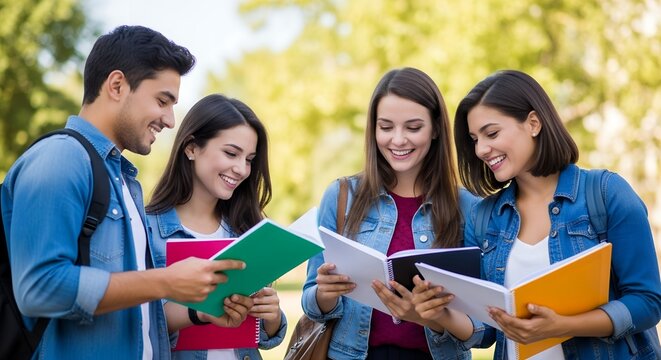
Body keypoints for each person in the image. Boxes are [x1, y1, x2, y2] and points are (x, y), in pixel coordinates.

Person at [1, 25, 252, 359]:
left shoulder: (122, 179)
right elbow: (40, 288)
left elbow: (133, 311)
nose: (170, 120)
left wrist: (196, 313)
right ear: (117, 85)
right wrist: (166, 281)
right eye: (163, 101)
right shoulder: (60, 159)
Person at [438, 69, 661, 359]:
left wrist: (563, 326)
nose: (481, 149)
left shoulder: (606, 194)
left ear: (533, 123)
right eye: (474, 139)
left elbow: (647, 302)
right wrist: (434, 315)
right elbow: (486, 330)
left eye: (491, 133)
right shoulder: (484, 217)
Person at [301, 67, 479, 359]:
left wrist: (429, 315)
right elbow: (311, 302)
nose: (398, 140)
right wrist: (325, 294)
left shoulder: (467, 207)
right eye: (386, 127)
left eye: (412, 127)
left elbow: (482, 331)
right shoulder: (342, 195)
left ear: (435, 129)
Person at [146, 94, 287, 360]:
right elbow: (136, 325)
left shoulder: (247, 231)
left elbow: (263, 338)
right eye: (231, 153)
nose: (241, 169)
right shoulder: (146, 230)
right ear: (191, 148)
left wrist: (272, 317)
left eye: (249, 159)